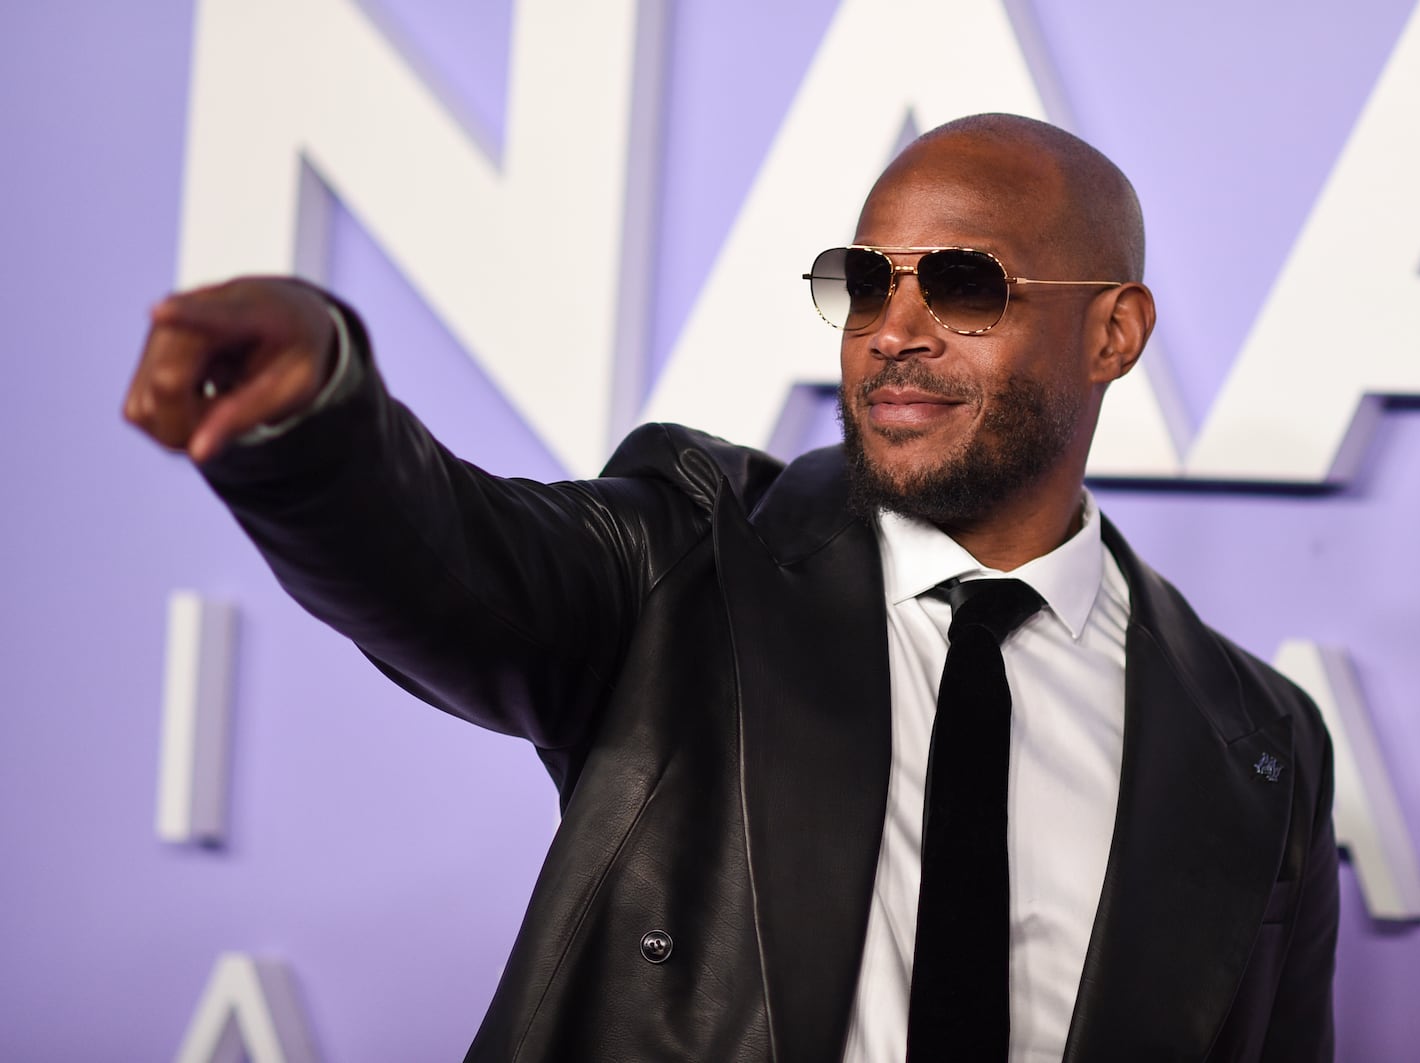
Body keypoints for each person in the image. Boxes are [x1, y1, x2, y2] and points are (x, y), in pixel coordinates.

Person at [125, 114, 1338, 1062]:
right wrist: (315, 424)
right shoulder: (690, 562)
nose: (892, 329)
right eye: (866, 282)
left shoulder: (1254, 741)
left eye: (964, 286)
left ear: (1113, 334)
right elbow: (450, 557)